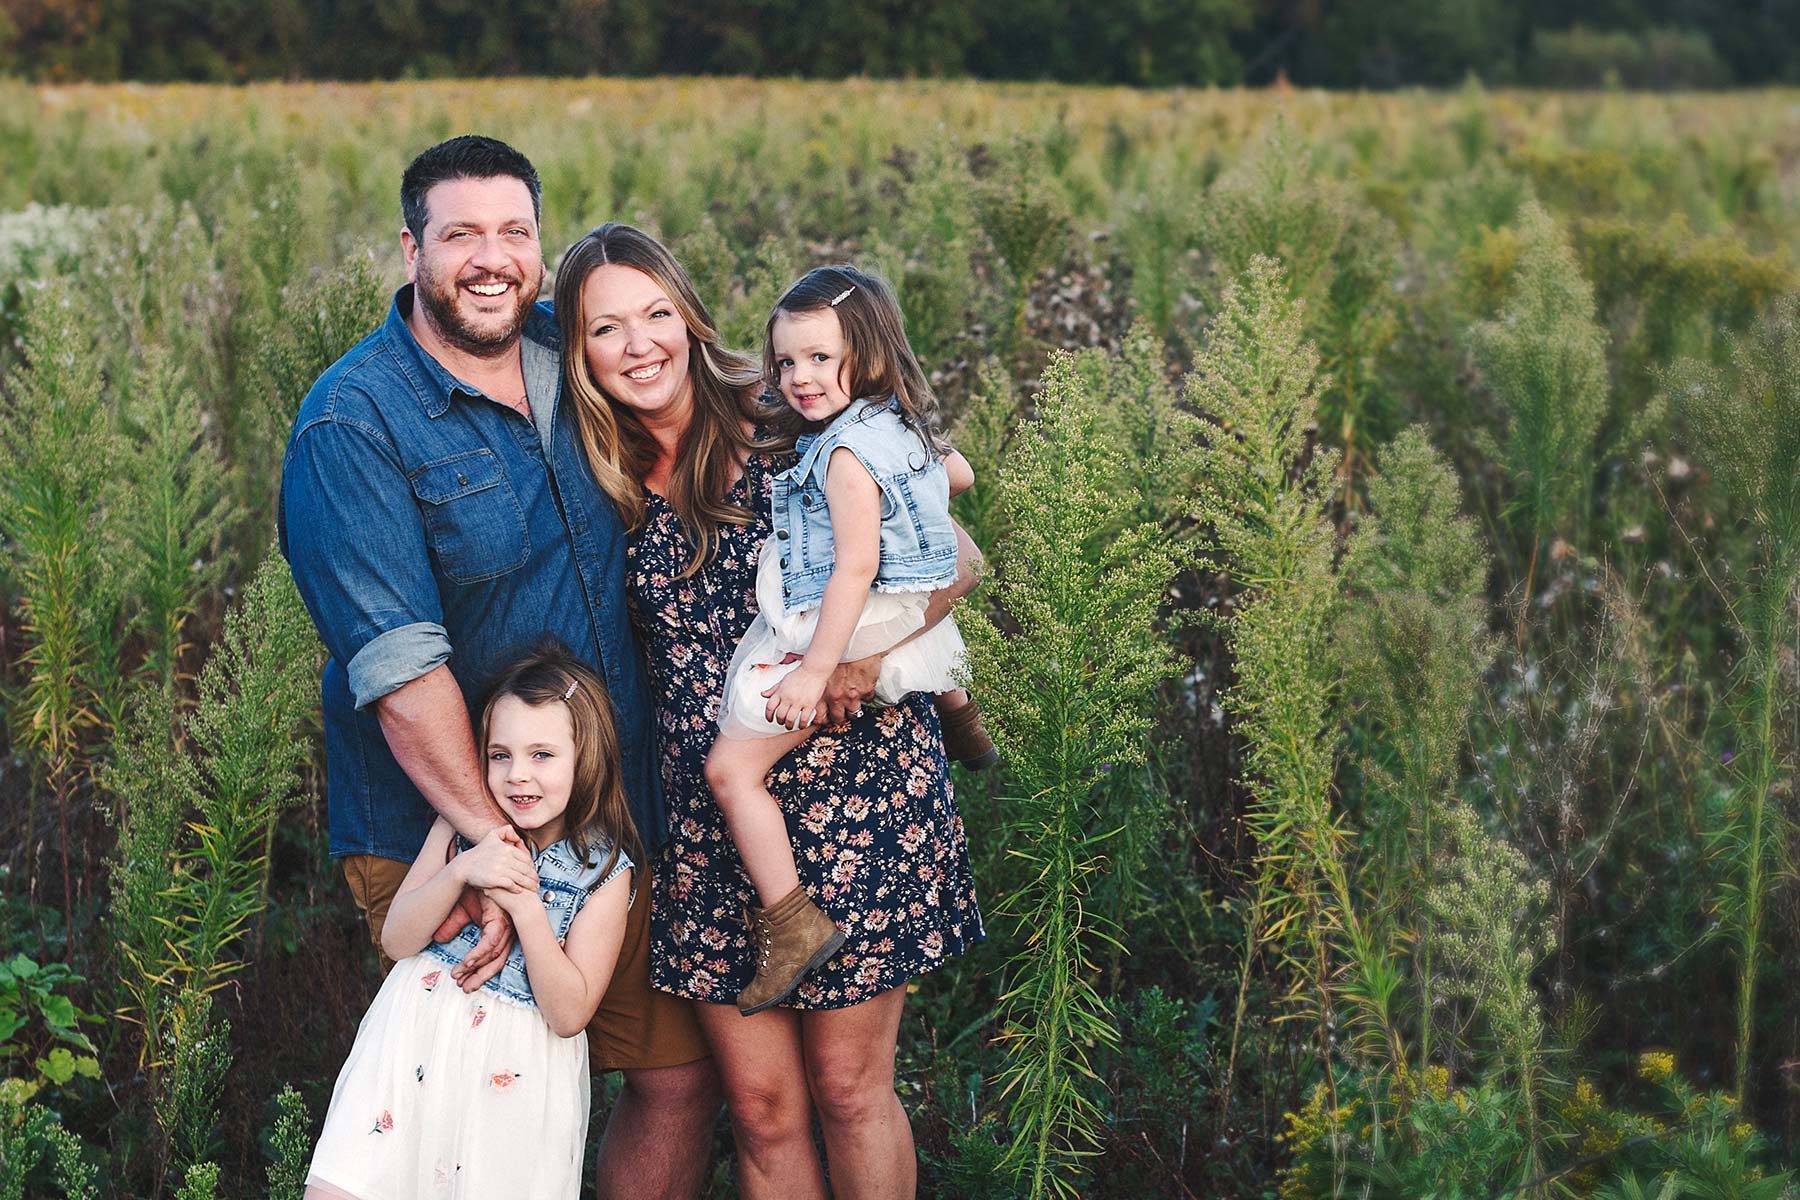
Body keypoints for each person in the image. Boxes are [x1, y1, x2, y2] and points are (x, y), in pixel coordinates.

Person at [280, 136, 718, 1199]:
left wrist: (884, 460)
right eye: (460, 233)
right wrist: (495, 853)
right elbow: (400, 676)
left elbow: (729, 416)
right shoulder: (355, 422)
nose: (492, 257)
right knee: (464, 1116)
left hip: (611, 820)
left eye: (514, 232)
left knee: (673, 1079)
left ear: (538, 243)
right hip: (445, 825)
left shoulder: (570, 355)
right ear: (410, 247)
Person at [555, 222, 984, 1200]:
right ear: (579, 357)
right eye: (605, 329)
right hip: (712, 834)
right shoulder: (599, 475)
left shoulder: (781, 424)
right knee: (762, 1112)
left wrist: (859, 668)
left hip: (855, 802)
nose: (640, 345)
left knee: (845, 1091)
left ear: (691, 319)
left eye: (657, 313)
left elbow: (956, 558)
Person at [705, 265, 993, 1015]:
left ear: (865, 355)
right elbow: (957, 475)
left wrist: (816, 671)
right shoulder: (898, 427)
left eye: (820, 359)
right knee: (915, 615)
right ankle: (962, 715)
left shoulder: (839, 455)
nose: (799, 378)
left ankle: (791, 919)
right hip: (908, 615)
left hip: (847, 623)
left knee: (731, 770)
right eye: (787, 362)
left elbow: (857, 565)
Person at [306, 645, 636, 1200]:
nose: (517, 776)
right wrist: (462, 870)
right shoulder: (462, 823)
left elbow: (570, 1012)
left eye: (542, 755)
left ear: (587, 758)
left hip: (513, 1073)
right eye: (500, 755)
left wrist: (525, 905)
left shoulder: (603, 868)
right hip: (416, 1033)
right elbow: (398, 937)